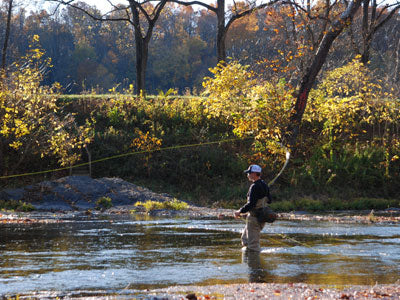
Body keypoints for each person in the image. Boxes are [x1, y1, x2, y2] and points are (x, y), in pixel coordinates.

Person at [234, 164, 272, 252]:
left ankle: (255, 264)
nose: (248, 175)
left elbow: (251, 204)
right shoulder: (264, 185)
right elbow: (270, 200)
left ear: (254, 173)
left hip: (254, 219)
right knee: (245, 239)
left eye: (249, 173)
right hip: (261, 217)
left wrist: (239, 211)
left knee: (253, 246)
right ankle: (248, 261)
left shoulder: (254, 187)